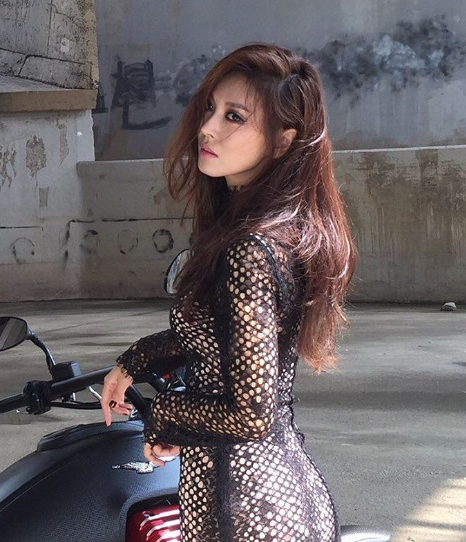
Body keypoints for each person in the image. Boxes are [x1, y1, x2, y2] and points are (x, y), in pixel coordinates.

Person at [101, 42, 357, 542]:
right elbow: (224, 340)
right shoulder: (262, 231)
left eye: (234, 116)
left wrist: (166, 415)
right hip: (261, 498)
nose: (208, 128)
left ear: (283, 142)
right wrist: (134, 361)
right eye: (210, 109)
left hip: (251, 511)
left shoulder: (250, 251)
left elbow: (252, 415)